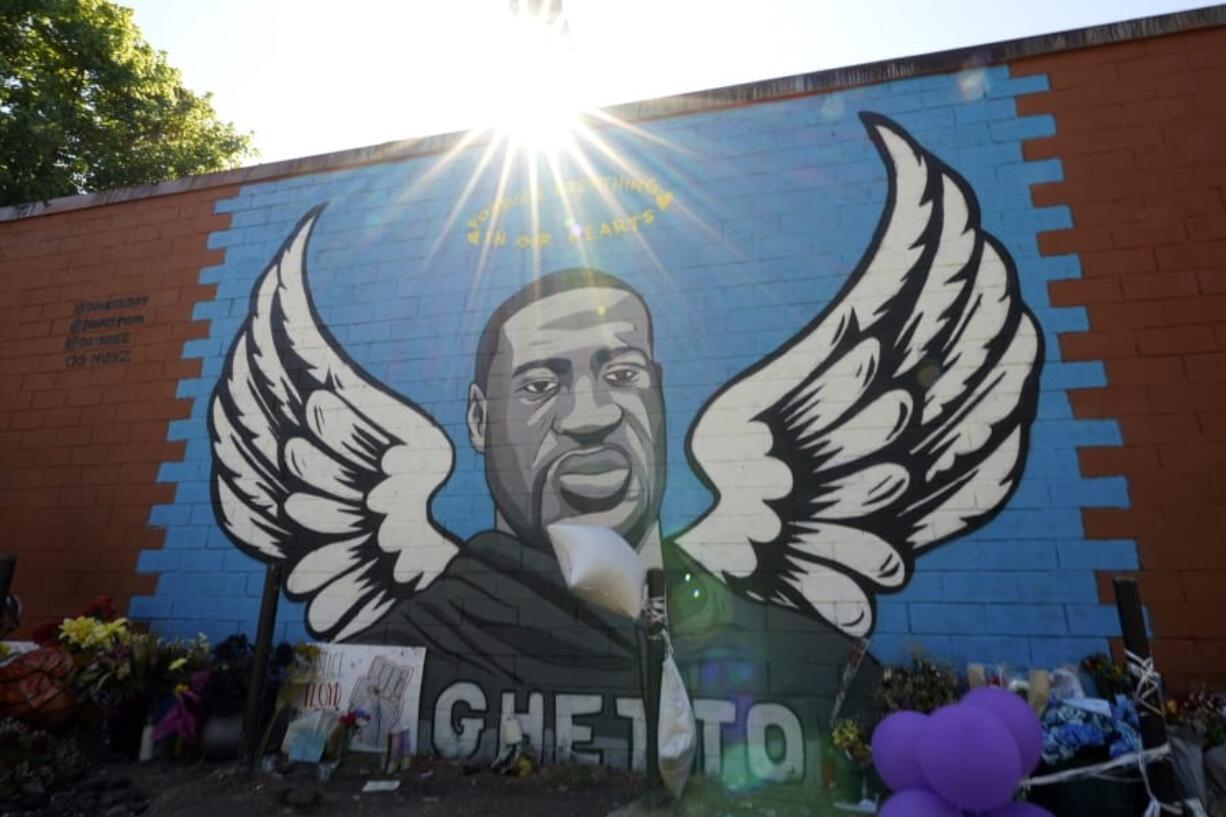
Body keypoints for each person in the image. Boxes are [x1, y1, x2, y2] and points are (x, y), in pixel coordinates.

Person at [354, 269, 878, 770]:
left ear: (658, 391)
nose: (592, 416)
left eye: (623, 375)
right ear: (478, 419)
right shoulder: (402, 646)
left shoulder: (819, 665)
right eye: (539, 385)